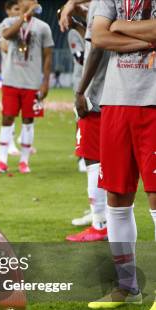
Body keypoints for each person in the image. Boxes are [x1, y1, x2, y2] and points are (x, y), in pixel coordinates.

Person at [88, 0, 156, 310]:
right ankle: (127, 286)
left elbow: (113, 30)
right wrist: (147, 40)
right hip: (115, 101)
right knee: (116, 196)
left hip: (154, 101)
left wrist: (119, 27)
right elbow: (99, 36)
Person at [60, 1, 109, 243]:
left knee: (94, 160)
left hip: (96, 97)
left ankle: (100, 222)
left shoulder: (104, 6)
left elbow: (97, 48)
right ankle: (104, 218)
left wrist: (81, 91)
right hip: (123, 96)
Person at [0, 0, 53, 175]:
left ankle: (24, 162)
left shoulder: (43, 27)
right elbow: (8, 35)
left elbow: (48, 56)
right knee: (7, 118)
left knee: (28, 121)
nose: (28, 2)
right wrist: (23, 17)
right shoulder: (8, 23)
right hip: (10, 81)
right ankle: (2, 161)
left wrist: (45, 82)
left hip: (32, 83)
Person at [0, 0, 22, 156]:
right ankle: (10, 143)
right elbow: (4, 47)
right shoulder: (3, 26)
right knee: (9, 113)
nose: (19, 12)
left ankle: (24, 140)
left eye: (20, 9)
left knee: (25, 113)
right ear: (8, 10)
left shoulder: (26, 26)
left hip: (25, 76)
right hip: (10, 76)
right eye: (16, 9)